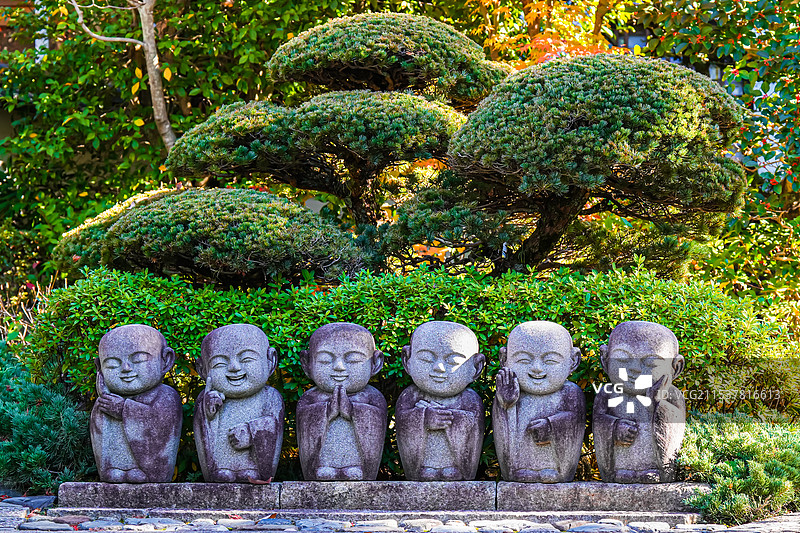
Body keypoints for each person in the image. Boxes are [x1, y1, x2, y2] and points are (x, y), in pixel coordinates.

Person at [593, 321, 686, 483]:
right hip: (621, 464)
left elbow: (674, 430)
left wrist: (657, 404)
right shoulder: (607, 393)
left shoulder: (671, 394)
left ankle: (654, 469)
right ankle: (622, 470)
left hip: (653, 466)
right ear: (605, 359)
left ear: (675, 367)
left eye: (651, 362)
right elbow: (599, 421)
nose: (634, 369)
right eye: (622, 358)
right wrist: (615, 427)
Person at [493, 321, 585, 483]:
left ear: (573, 361)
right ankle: (519, 469)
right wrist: (507, 404)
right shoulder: (510, 390)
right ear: (504, 359)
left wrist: (551, 425)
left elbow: (574, 423)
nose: (537, 368)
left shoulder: (570, 392)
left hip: (555, 465)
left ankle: (557, 471)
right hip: (520, 467)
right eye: (524, 360)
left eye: (549, 361)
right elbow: (504, 436)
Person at [90, 324, 182, 483]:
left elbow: (163, 428)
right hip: (115, 470)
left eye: (138, 359)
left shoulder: (166, 395)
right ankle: (117, 468)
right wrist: (104, 397)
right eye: (112, 364)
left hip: (150, 467)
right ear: (100, 368)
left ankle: (141, 471)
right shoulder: (107, 401)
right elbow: (102, 438)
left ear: (165, 361)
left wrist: (124, 410)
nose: (125, 368)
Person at [396, 321, 485, 481]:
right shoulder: (409, 396)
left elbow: (473, 434)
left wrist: (448, 418)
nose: (439, 367)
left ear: (476, 367)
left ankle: (453, 469)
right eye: (426, 359)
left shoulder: (470, 399)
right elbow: (403, 427)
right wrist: (423, 418)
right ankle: (424, 469)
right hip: (423, 466)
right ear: (407, 359)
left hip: (455, 467)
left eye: (452, 361)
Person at [194, 324, 284, 483]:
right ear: (203, 370)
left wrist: (251, 432)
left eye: (247, 359)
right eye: (219, 363)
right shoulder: (208, 398)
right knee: (222, 474)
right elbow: (204, 433)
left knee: (250, 472)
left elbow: (273, 425)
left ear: (270, 361)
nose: (234, 367)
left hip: (252, 464)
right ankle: (221, 470)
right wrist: (208, 413)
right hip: (221, 466)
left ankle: (251, 470)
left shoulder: (270, 396)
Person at [297, 322, 387, 480]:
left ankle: (355, 467)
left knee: (355, 472)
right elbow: (306, 430)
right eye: (325, 360)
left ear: (375, 363)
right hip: (324, 462)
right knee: (324, 472)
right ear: (307, 364)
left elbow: (375, 429)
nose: (339, 367)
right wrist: (326, 412)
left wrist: (352, 411)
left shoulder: (373, 397)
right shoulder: (310, 398)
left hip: (357, 463)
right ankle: (323, 466)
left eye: (352, 360)